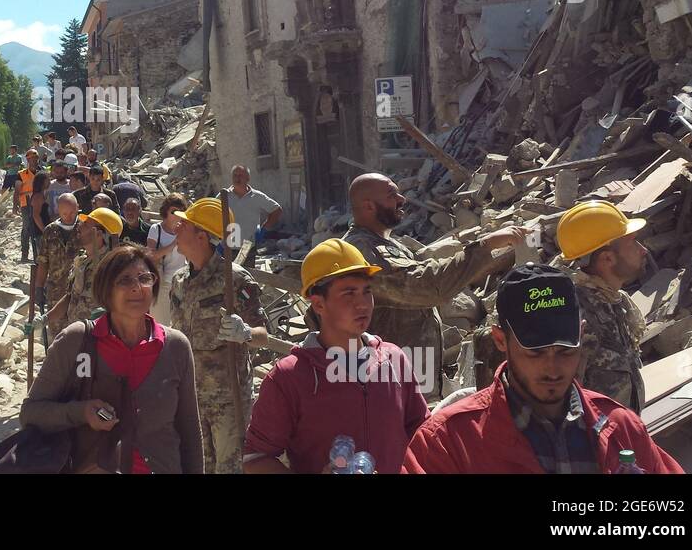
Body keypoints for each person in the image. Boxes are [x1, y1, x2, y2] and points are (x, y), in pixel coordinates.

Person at [402, 264, 683, 474]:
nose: (552, 368)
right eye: (535, 353)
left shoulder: (620, 426)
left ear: (582, 335)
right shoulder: (448, 441)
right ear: (501, 339)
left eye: (565, 350)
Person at [244, 239, 429, 474]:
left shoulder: (394, 359)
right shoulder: (289, 377)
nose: (363, 304)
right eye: (349, 294)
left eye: (367, 292)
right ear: (319, 304)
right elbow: (255, 458)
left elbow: (422, 431)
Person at [19, 246, 203, 474]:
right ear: (106, 291)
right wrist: (82, 412)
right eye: (124, 280)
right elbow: (31, 413)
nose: (137, 287)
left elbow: (190, 432)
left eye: (144, 278)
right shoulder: (77, 341)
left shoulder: (176, 346)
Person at [343, 172, 526, 399]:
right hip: (386, 388)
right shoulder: (361, 251)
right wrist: (486, 246)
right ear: (368, 206)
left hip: (411, 382)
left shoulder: (387, 245)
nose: (402, 199)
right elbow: (427, 287)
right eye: (392, 195)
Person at [169, 197, 269, 474]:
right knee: (196, 466)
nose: (176, 228)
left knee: (229, 470)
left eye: (183, 224)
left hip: (228, 399)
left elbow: (264, 335)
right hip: (191, 397)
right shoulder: (179, 282)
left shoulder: (235, 280)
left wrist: (245, 332)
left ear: (201, 236)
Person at [556, 201, 649, 412]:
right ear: (607, 258)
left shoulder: (614, 302)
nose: (643, 250)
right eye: (633, 243)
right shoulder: (579, 315)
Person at [49, 207, 122, 332]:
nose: (79, 227)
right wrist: (46, 318)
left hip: (98, 337)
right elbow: (71, 297)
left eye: (86, 225)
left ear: (98, 234)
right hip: (76, 332)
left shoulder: (111, 267)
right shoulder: (81, 261)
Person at [35, 192, 82, 337]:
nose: (68, 216)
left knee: (79, 334)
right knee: (57, 333)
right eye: (64, 212)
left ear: (77, 208)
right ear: (58, 210)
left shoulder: (85, 228)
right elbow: (43, 263)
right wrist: (39, 288)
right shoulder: (50, 231)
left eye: (72, 212)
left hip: (80, 293)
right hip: (56, 290)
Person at [224, 165, 282, 268]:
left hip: (247, 246)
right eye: (235, 175)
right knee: (229, 279)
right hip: (228, 245)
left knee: (247, 276)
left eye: (240, 175)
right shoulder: (224, 196)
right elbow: (211, 212)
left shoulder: (256, 196)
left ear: (248, 178)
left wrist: (264, 229)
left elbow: (276, 210)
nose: (237, 178)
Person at [146, 193, 188, 326]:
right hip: (162, 283)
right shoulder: (156, 229)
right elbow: (151, 255)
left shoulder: (185, 230)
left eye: (180, 211)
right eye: (173, 211)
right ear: (166, 211)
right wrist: (174, 243)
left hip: (182, 283)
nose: (177, 215)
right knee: (161, 324)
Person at [17, 150, 43, 263]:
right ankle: (24, 255)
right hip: (26, 204)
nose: (35, 160)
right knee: (27, 228)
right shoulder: (21, 174)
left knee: (39, 228)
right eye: (32, 158)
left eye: (36, 158)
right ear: (28, 160)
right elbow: (17, 190)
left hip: (40, 204)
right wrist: (15, 205)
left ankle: (39, 254)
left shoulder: (41, 172)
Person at [28, 171, 51, 263]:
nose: (49, 182)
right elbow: (36, 215)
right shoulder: (38, 196)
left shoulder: (41, 195)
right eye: (47, 180)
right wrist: (44, 230)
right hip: (40, 232)